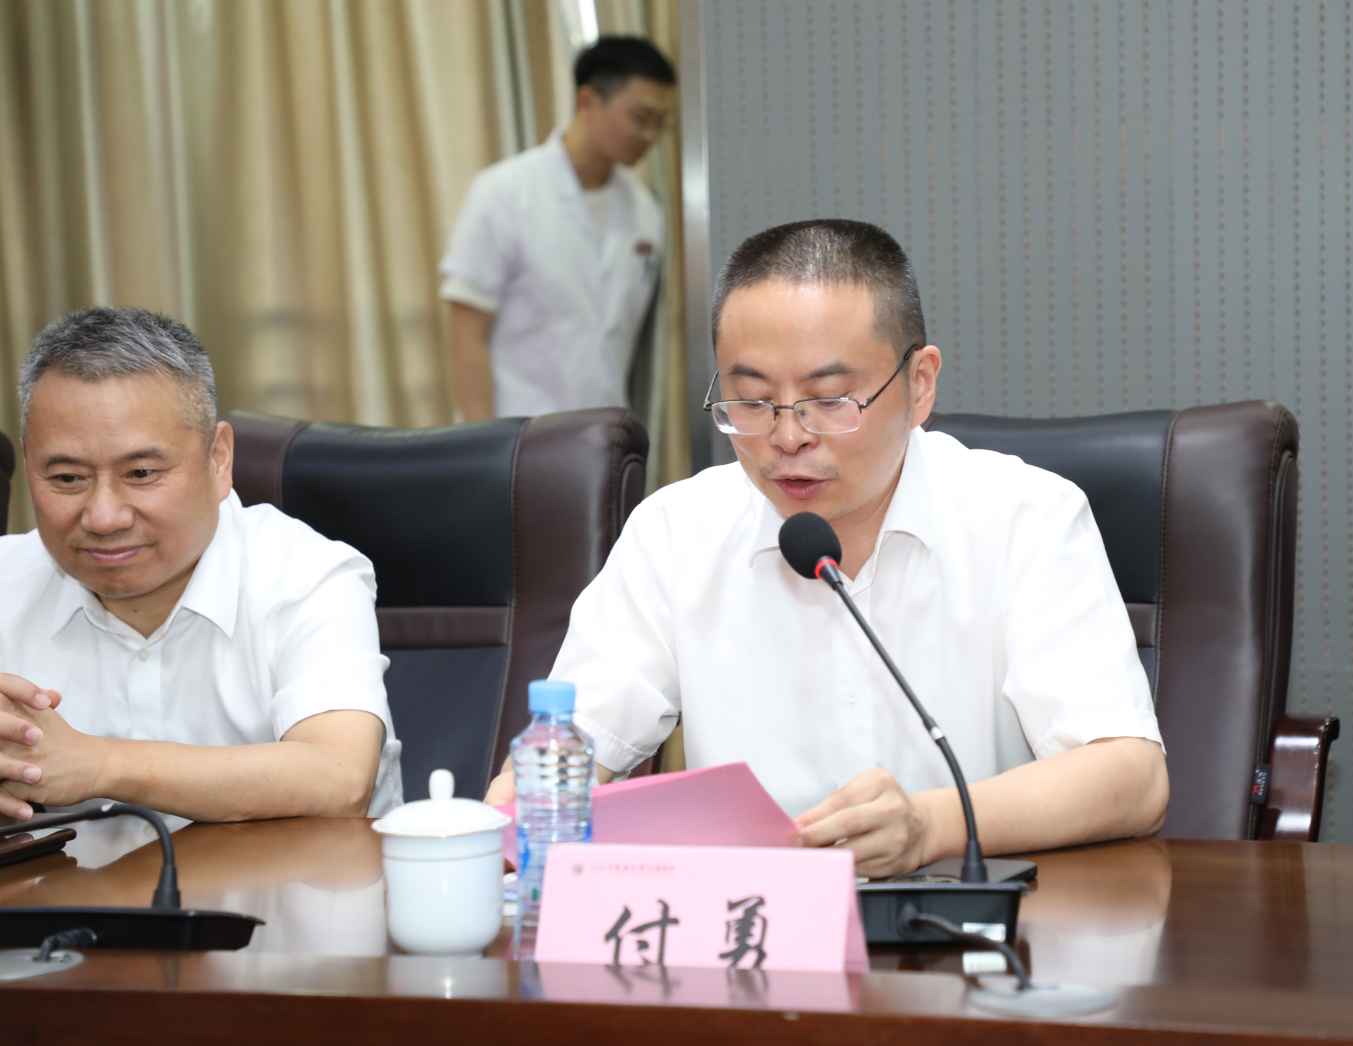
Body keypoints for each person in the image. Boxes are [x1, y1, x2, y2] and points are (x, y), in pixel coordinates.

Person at [487, 219, 1168, 878]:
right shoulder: (676, 532)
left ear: (919, 383)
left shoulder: (1025, 517)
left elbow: (1131, 777)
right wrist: (509, 821)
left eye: (830, 399)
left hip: (969, 930)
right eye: (752, 401)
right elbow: (561, 756)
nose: (787, 437)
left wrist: (930, 825)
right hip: (752, 929)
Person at [0, 307, 401, 824]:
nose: (103, 517)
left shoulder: (306, 574)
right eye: (67, 479)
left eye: (141, 473)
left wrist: (98, 764)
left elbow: (338, 777)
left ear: (218, 458)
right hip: (69, 881)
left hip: (292, 880)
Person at [439, 35, 676, 421]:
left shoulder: (645, 211)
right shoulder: (503, 193)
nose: (650, 136)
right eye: (641, 118)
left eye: (660, 124)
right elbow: (468, 335)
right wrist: (483, 444)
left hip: (604, 434)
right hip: (517, 434)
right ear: (588, 101)